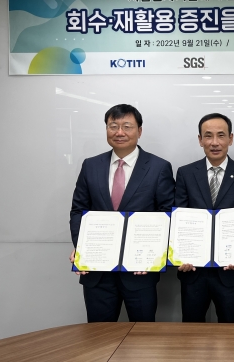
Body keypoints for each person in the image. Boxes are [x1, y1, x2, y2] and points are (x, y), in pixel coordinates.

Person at [68, 104, 175, 322]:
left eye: (127, 126)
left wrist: (153, 253)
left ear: (139, 131)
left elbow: (167, 214)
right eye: (113, 126)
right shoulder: (90, 165)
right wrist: (82, 247)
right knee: (99, 335)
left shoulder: (158, 167)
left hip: (140, 271)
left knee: (142, 335)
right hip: (97, 272)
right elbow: (78, 210)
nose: (119, 132)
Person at [174, 113, 234, 323]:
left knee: (231, 329)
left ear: (231, 138)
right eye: (208, 136)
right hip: (193, 270)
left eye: (221, 135)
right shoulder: (185, 173)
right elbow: (179, 218)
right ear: (200, 140)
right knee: (191, 329)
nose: (215, 142)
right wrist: (180, 256)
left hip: (231, 270)